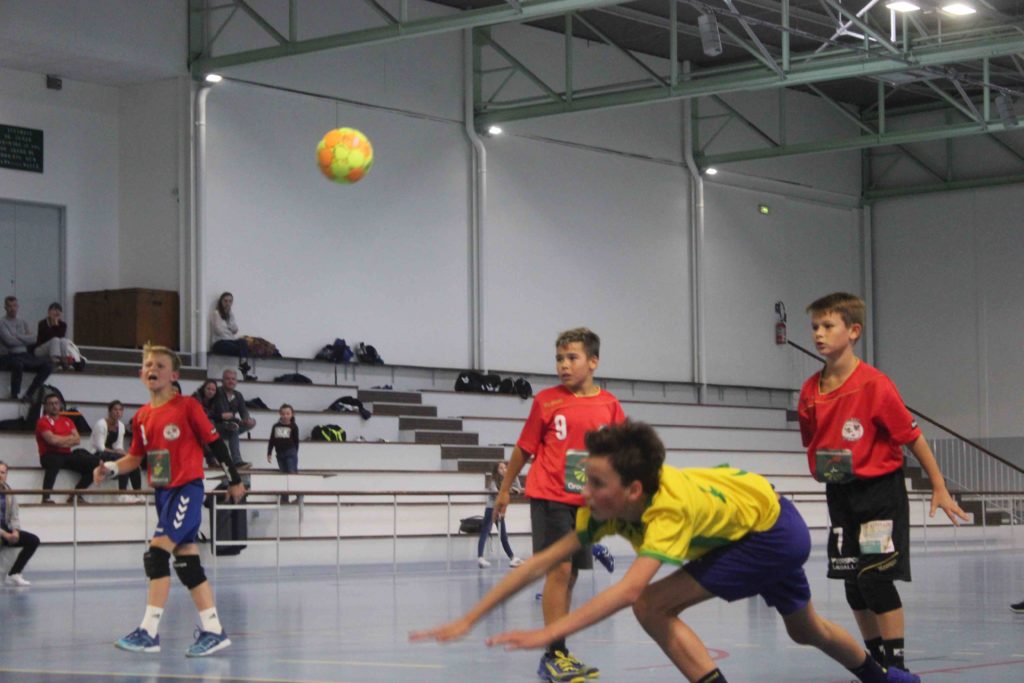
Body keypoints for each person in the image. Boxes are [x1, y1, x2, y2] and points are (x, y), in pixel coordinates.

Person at [412, 421, 910, 683]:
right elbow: (542, 562)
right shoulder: (605, 507)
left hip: (772, 532)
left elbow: (631, 591)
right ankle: (882, 679)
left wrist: (550, 632)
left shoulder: (667, 509)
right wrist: (470, 617)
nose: (585, 491)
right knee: (806, 630)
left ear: (633, 490)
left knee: (651, 604)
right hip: (755, 521)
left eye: (597, 482)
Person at [798, 292, 969, 679]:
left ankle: (898, 668)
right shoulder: (809, 391)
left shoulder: (875, 385)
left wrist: (939, 486)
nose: (819, 334)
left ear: (853, 331)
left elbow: (913, 437)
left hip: (879, 498)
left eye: (828, 326)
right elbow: (814, 440)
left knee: (874, 579)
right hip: (841, 495)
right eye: (814, 327)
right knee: (852, 583)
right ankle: (876, 666)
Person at [93, 343, 246, 657]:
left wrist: (234, 479)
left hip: (187, 490)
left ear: (174, 375)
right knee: (187, 562)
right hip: (163, 494)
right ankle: (214, 630)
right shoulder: (142, 417)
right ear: (141, 374)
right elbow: (135, 458)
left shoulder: (188, 406)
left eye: (160, 365)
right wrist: (110, 468)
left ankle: (148, 632)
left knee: (156, 555)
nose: (153, 369)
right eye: (148, 365)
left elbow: (216, 443)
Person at [492, 327, 625, 681]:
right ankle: (554, 653)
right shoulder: (547, 401)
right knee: (560, 571)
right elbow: (524, 447)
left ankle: (560, 651)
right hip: (549, 495)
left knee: (572, 574)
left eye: (572, 358)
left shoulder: (610, 405)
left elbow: (622, 451)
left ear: (593, 362)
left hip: (584, 504)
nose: (563, 365)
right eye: (559, 359)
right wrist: (505, 490)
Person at [35, 393, 99, 504]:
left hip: (66, 454)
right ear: (46, 406)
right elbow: (52, 440)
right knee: (54, 461)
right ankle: (46, 497)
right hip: (49, 455)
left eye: (56, 403)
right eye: (51, 404)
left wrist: (59, 440)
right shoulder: (42, 421)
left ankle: (76, 495)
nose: (54, 406)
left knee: (95, 463)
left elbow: (77, 440)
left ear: (60, 405)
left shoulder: (68, 421)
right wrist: (68, 439)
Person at [0, 296, 53, 401]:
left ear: (18, 307)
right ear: (5, 308)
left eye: (14, 305)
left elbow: (34, 339)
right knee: (18, 364)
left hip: (24, 355)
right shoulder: (2, 322)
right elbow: (9, 342)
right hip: (8, 357)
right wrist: (24, 338)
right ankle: (14, 395)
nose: (12, 308)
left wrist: (17, 335)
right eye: (10, 306)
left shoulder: (23, 322)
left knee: (48, 366)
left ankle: (29, 394)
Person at [90, 400, 143, 501]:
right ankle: (122, 493)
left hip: (112, 454)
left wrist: (130, 457)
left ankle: (138, 493)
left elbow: (118, 447)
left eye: (120, 410)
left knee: (133, 462)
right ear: (109, 411)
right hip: (97, 454)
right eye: (115, 410)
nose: (118, 412)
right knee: (123, 461)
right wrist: (123, 457)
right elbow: (100, 447)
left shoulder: (121, 426)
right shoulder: (101, 424)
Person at [0, 460, 40, 587]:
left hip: (7, 529)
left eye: (3, 472)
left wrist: (15, 531)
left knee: (33, 540)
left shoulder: (8, 491)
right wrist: (4, 534)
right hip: (1, 533)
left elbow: (14, 514)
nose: (0, 475)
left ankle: (15, 573)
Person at [477, 461, 523, 568]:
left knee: (503, 535)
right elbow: (497, 494)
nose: (504, 470)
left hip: (500, 510)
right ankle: (480, 558)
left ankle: (512, 558)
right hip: (491, 509)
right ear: (496, 471)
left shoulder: (507, 481)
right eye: (501, 468)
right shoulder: (493, 481)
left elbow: (519, 489)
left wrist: (515, 475)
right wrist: (510, 490)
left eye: (505, 468)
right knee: (485, 531)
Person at [213, 369, 255, 469]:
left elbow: (243, 412)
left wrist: (247, 419)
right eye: (228, 379)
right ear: (222, 380)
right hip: (217, 425)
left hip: (231, 425)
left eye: (233, 379)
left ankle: (236, 460)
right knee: (234, 427)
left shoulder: (238, 395)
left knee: (252, 422)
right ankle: (237, 461)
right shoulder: (216, 392)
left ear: (236, 382)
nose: (230, 381)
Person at [208, 292, 254, 380]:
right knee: (239, 348)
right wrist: (229, 329)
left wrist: (228, 325)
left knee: (243, 342)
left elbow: (235, 330)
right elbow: (219, 330)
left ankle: (243, 365)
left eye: (230, 301)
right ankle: (244, 368)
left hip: (230, 340)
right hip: (220, 342)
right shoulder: (216, 313)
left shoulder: (230, 314)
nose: (228, 303)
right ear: (221, 302)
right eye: (225, 301)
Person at [34, 302, 84, 371]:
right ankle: (55, 362)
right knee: (55, 339)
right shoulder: (42, 323)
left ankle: (64, 361)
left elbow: (60, 336)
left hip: (56, 349)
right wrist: (54, 324)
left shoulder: (63, 324)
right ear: (49, 312)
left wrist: (56, 324)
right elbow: (47, 337)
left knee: (63, 340)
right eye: (54, 310)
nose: (56, 312)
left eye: (58, 311)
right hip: (40, 349)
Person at [267, 404, 299, 503]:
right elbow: (272, 440)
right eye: (283, 414)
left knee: (292, 473)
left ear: (292, 414)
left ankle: (298, 496)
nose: (285, 416)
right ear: (280, 414)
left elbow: (296, 441)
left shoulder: (293, 426)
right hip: (280, 454)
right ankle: (285, 498)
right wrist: (269, 452)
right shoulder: (276, 426)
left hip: (290, 452)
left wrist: (295, 452)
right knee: (283, 475)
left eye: (288, 414)